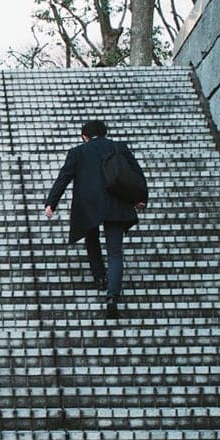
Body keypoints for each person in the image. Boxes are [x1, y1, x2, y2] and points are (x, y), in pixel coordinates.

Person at [43, 119, 148, 317]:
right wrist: (141, 198)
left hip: (89, 206)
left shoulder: (78, 152)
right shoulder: (119, 147)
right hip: (117, 203)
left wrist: (51, 203)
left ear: (85, 136)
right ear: (104, 133)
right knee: (115, 252)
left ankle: (100, 277)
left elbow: (64, 177)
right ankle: (112, 297)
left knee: (92, 240)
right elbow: (136, 173)